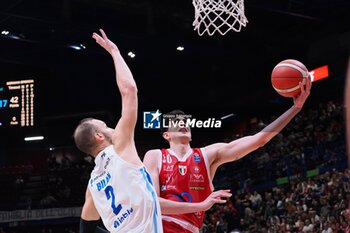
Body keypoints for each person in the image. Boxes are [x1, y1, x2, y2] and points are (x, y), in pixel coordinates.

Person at [143, 77, 312, 232]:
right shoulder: (155, 156)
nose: (182, 123)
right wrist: (201, 205)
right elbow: (153, 203)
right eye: (176, 122)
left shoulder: (208, 155)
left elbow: (258, 140)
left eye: (185, 121)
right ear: (167, 135)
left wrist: (295, 108)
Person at [73, 29, 163, 233]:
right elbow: (129, 91)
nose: (111, 128)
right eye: (105, 126)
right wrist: (115, 52)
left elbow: (85, 229)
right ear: (99, 136)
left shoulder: (93, 185)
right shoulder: (120, 148)